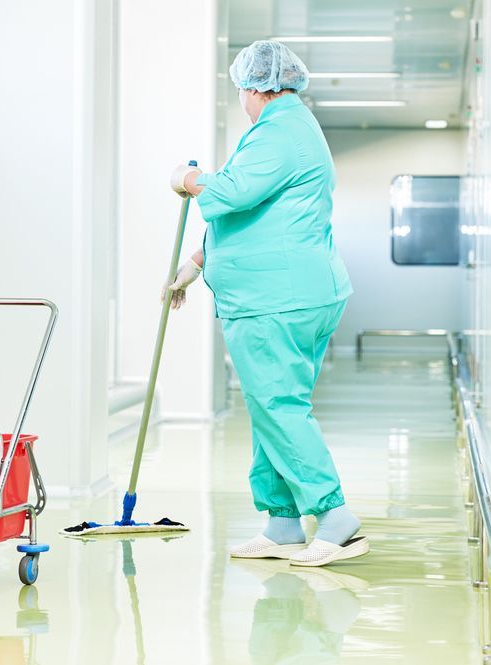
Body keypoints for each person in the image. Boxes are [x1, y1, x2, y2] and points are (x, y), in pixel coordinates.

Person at [166, 40, 368, 567]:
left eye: (242, 91)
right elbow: (260, 217)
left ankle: (336, 519)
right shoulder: (289, 130)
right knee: (270, 407)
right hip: (286, 292)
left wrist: (188, 181)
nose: (242, 100)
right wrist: (194, 267)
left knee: (279, 406)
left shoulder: (279, 130)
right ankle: (282, 523)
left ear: (256, 87)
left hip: (275, 298)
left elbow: (231, 193)